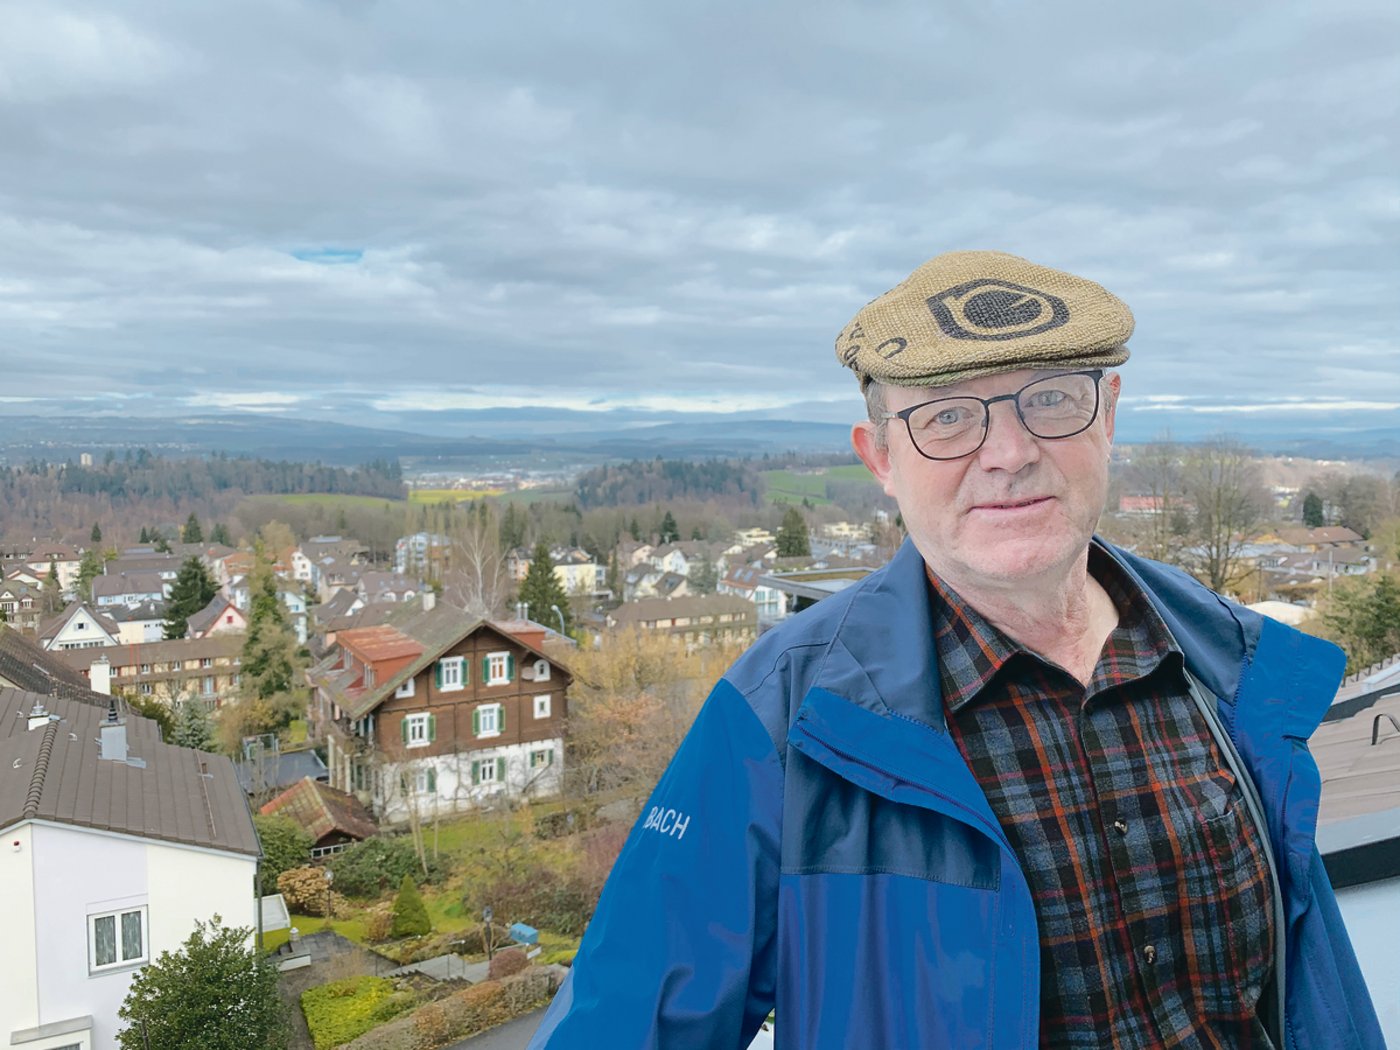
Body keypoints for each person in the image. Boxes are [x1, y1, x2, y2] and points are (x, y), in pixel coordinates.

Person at [529, 251, 1385, 1049]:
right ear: (882, 458)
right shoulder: (784, 720)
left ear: (1109, 415)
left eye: (1050, 399)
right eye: (946, 417)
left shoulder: (1225, 665)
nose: (1009, 454)